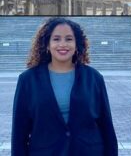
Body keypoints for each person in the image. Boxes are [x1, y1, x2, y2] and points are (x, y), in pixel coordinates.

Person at [12, 17, 118, 155]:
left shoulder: (94, 78)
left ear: (77, 44)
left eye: (69, 39)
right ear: (47, 45)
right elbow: (19, 133)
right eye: (56, 39)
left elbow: (107, 127)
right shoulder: (27, 80)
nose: (63, 44)